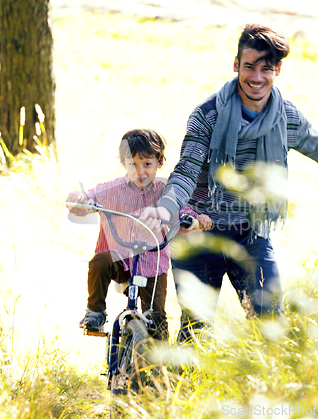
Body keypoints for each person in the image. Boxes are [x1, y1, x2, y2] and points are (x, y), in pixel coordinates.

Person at [139, 24, 318, 341]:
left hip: (251, 232)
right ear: (236, 65)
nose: (256, 77)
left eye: (265, 68)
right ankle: (174, 386)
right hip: (198, 230)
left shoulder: (286, 118)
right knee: (196, 330)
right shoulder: (207, 115)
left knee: (270, 324)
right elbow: (186, 170)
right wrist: (165, 209)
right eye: (249, 66)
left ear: (277, 70)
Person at [66, 129, 211, 340]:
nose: (140, 171)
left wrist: (196, 219)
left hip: (153, 263)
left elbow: (183, 213)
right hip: (120, 258)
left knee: (157, 318)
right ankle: (95, 312)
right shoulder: (112, 189)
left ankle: (158, 366)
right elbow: (87, 200)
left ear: (159, 163)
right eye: (133, 164)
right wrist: (78, 200)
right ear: (124, 163)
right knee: (99, 261)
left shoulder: (165, 191)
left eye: (147, 164)